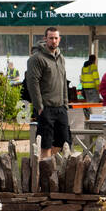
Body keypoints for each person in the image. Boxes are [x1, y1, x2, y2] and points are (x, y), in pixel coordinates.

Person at [27, 26, 69, 160]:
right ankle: (43, 172)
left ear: (59, 39)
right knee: (45, 144)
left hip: (60, 108)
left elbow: (64, 81)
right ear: (45, 39)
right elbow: (33, 83)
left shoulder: (61, 57)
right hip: (45, 108)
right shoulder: (36, 58)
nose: (54, 41)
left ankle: (48, 165)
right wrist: (39, 106)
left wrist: (66, 104)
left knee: (63, 141)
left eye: (56, 38)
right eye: (51, 38)